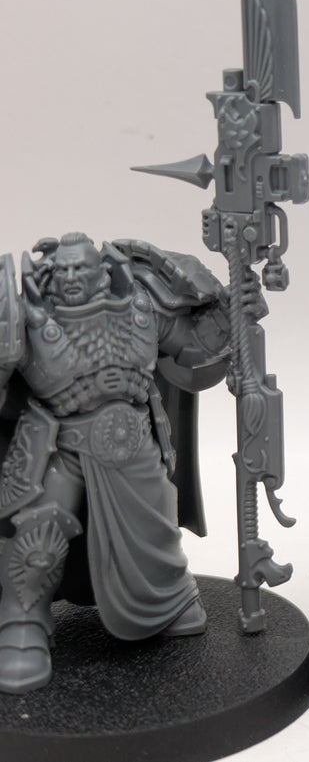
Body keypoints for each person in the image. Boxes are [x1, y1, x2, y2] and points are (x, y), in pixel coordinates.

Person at [0, 232, 237, 692]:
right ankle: (22, 621)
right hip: (59, 445)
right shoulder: (28, 315)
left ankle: (169, 601)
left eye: (80, 268)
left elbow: (197, 352)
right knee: (41, 531)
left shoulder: (142, 305)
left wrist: (233, 309)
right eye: (63, 270)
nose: (71, 277)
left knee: (158, 527)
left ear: (101, 270)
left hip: (133, 441)